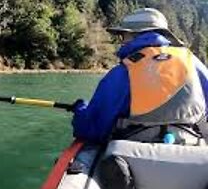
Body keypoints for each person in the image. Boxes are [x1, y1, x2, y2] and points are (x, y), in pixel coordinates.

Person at [72, 8, 208, 145]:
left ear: (134, 35)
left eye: (122, 35)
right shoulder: (193, 62)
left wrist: (81, 109)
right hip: (191, 148)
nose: (121, 41)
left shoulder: (122, 72)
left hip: (133, 155)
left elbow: (91, 129)